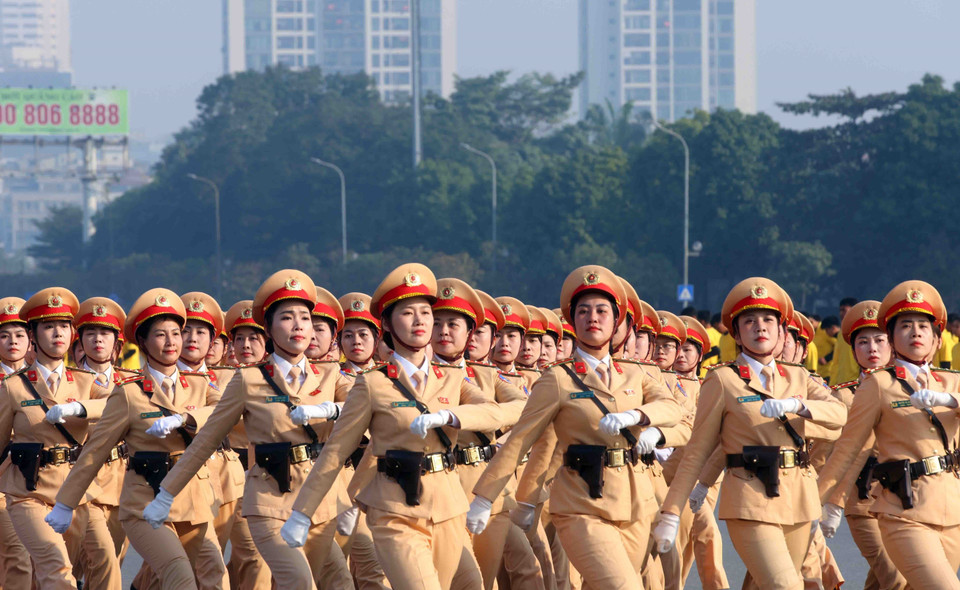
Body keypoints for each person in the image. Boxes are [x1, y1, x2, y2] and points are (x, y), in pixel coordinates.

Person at [283, 263, 503, 590]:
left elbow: (501, 412)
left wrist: (453, 417)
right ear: (386, 324)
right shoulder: (371, 385)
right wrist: (303, 512)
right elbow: (337, 450)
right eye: (407, 313)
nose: (419, 321)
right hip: (394, 513)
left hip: (448, 510)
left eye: (425, 313)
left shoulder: (454, 379)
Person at [467, 265, 681, 589]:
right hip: (581, 504)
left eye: (601, 310)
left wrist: (637, 417)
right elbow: (522, 440)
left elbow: (673, 407)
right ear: (572, 320)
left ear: (616, 320)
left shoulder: (636, 374)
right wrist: (485, 498)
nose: (592, 317)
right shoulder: (558, 378)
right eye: (583, 311)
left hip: (635, 503)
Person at [142, 271, 351, 590]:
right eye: (286, 317)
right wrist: (166, 494)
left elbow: (370, 415)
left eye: (305, 318)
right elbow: (207, 439)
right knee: (298, 582)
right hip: (269, 499)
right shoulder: (248, 380)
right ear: (267, 328)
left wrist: (331, 409)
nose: (298, 325)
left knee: (317, 582)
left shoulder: (332, 376)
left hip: (319, 502)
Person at [653, 277, 847, 590]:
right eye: (750, 321)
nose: (760, 327)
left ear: (783, 332)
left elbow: (840, 416)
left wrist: (797, 405)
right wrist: (672, 512)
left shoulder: (799, 377)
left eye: (769, 320)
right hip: (749, 499)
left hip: (798, 499)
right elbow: (698, 448)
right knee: (786, 586)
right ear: (737, 333)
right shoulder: (723, 380)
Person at [49, 288, 223, 589]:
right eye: (160, 335)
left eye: (175, 333)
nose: (171, 342)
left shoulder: (200, 386)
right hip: (144, 504)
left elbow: (226, 411)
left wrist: (185, 418)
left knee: (198, 577)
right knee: (180, 577)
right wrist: (65, 504)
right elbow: (95, 451)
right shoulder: (128, 393)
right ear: (142, 341)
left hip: (193, 504)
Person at [817, 281, 960, 588]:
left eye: (924, 326)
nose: (916, 332)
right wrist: (819, 504)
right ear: (894, 339)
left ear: (938, 339)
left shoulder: (952, 382)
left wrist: (950, 400)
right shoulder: (878, 385)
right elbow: (849, 449)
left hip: (952, 511)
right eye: (905, 326)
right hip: (903, 510)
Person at [817, 300, 905, 590]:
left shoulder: (909, 392)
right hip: (862, 500)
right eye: (863, 342)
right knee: (893, 577)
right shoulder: (843, 397)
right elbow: (837, 454)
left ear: (892, 344)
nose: (872, 349)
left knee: (882, 581)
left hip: (903, 500)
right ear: (853, 350)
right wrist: (829, 502)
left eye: (879, 340)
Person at [665, 316, 728, 590]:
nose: (680, 354)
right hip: (673, 472)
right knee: (693, 535)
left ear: (701, 354)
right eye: (676, 348)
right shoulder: (661, 382)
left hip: (708, 475)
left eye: (688, 349)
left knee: (693, 541)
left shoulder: (710, 385)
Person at [72, 297, 132, 574]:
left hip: (122, 479)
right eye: (91, 333)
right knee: (82, 561)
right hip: (81, 477)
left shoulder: (133, 382)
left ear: (118, 344)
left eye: (105, 333)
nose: (98, 340)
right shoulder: (66, 382)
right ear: (80, 341)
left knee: (113, 562)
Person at [0, 297, 34, 589]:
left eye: (20, 334)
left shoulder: (42, 380)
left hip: (34, 479)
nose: (13, 341)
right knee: (16, 554)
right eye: (4, 335)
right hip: (1, 479)